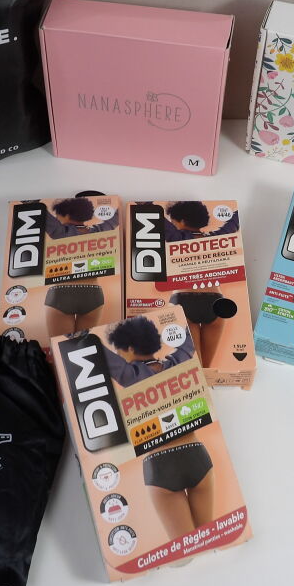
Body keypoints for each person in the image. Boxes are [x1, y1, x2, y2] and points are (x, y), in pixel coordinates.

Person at [103, 317, 215, 538]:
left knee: (185, 547)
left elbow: (101, 354)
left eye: (119, 350)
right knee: (207, 538)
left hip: (161, 464)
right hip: (196, 455)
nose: (119, 355)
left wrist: (81, 337)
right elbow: (189, 336)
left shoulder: (130, 375)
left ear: (130, 348)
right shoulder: (179, 361)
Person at [160, 201, 240, 367]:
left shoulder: (176, 238)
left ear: (182, 220)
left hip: (183, 301)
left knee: (195, 368)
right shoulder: (217, 238)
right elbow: (234, 223)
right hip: (215, 301)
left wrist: (145, 204)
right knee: (206, 368)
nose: (173, 224)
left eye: (174, 221)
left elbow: (158, 220)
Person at [42, 197, 118, 337]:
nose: (57, 219)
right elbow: (115, 219)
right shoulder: (100, 230)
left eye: (58, 215)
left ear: (67, 215)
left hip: (62, 293)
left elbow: (42, 215)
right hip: (92, 294)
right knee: (84, 346)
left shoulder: (60, 232)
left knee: (61, 346)